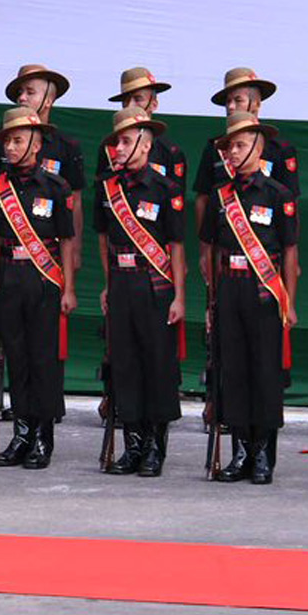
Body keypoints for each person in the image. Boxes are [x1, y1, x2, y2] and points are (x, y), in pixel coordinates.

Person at [200, 112, 298, 485]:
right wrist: (212, 301)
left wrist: (287, 301)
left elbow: (289, 252)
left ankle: (263, 455)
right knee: (234, 371)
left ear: (258, 146)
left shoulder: (279, 195)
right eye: (228, 147)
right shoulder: (220, 196)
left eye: (239, 145)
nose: (232, 153)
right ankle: (239, 450)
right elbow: (209, 248)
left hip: (264, 291)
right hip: (230, 289)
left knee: (264, 373)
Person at [0, 107, 77, 469]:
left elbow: (67, 240)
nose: (11, 145)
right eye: (8, 139)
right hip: (9, 277)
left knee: (43, 361)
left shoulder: (56, 186)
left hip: (44, 281)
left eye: (18, 139)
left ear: (36, 144)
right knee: (16, 360)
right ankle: (20, 433)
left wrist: (67, 287)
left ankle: (42, 438)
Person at [94, 107, 185, 476]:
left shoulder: (167, 190)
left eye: (126, 141)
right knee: (125, 365)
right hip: (121, 284)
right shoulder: (107, 189)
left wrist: (179, 295)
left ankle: (154, 448)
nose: (118, 147)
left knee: (157, 366)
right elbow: (102, 239)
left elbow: (177, 247)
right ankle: (131, 445)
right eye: (116, 141)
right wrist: (107, 281)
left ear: (145, 146)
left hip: (155, 286)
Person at [194, 68, 299, 292]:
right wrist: (204, 251)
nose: (231, 106)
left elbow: (291, 204)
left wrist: (292, 255)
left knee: (268, 318)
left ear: (256, 103)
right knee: (219, 317)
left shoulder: (279, 149)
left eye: (238, 100)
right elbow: (203, 199)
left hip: (266, 256)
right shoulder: (215, 148)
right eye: (228, 102)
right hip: (224, 252)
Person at [0, 65, 84, 273]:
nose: (22, 98)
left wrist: (75, 248)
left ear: (48, 100)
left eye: (30, 92)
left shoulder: (66, 146)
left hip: (49, 253)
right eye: (19, 93)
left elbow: (76, 202)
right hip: (7, 254)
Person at [96, 67, 186, 188]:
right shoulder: (109, 148)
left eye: (138, 99)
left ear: (154, 105)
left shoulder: (170, 152)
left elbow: (176, 198)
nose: (131, 105)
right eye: (126, 100)